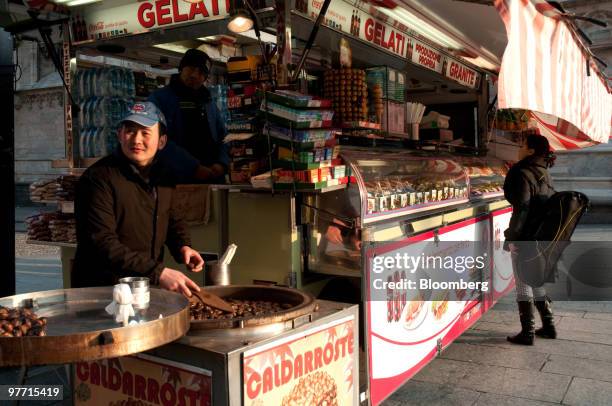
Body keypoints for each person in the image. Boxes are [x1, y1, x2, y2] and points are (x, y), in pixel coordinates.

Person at [72, 102, 204, 298]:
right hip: (102, 290)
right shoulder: (98, 178)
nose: (136, 139)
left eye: (145, 132)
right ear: (119, 135)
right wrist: (159, 273)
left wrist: (183, 246)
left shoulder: (164, 175)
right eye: (130, 131)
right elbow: (102, 242)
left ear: (161, 141)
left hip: (143, 287)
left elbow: (173, 218)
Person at [503, 132, 557, 345]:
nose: (519, 147)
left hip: (526, 234)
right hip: (541, 234)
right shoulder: (544, 171)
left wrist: (513, 237)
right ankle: (549, 325)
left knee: (523, 282)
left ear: (531, 150)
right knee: (536, 279)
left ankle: (527, 333)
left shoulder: (523, 171)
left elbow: (522, 208)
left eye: (522, 144)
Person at [149, 48, 229, 184]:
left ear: (205, 78)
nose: (194, 75)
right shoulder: (159, 99)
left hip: (211, 180)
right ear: (181, 68)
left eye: (201, 72)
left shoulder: (208, 101)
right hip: (174, 181)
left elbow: (223, 137)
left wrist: (221, 163)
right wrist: (192, 167)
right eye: (191, 68)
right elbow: (155, 139)